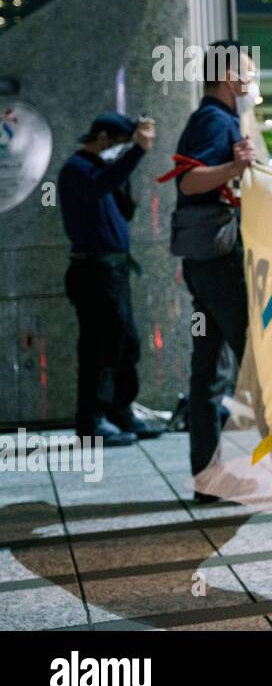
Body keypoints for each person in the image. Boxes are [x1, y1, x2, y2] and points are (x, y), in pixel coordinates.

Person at [173, 42, 258, 499]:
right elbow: (189, 180)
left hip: (203, 262)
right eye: (247, 71)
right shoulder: (215, 120)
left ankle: (209, 479)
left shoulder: (209, 118)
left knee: (209, 372)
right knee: (258, 363)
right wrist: (234, 165)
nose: (250, 81)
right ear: (229, 78)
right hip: (221, 262)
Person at [58, 112, 160, 446]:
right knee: (99, 347)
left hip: (114, 270)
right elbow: (98, 187)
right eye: (118, 144)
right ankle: (91, 420)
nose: (121, 150)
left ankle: (120, 409)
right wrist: (135, 153)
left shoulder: (105, 172)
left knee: (125, 342)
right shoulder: (77, 170)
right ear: (102, 139)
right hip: (92, 270)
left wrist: (128, 164)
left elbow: (126, 209)